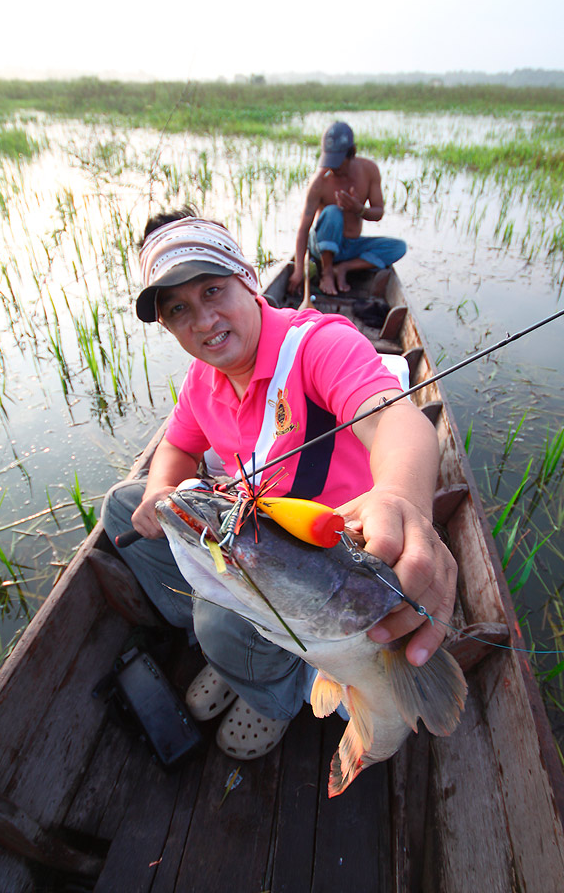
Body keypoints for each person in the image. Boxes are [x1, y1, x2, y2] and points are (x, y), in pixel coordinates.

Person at [102, 213, 457, 760]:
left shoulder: (317, 345)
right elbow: (176, 445)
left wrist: (402, 499)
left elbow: (394, 419)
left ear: (247, 277)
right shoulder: (204, 379)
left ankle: (274, 692)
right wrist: (160, 491)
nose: (203, 319)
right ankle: (239, 648)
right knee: (123, 506)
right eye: (178, 309)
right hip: (256, 536)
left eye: (213, 290)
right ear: (168, 325)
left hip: (322, 566)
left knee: (219, 619)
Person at [288, 120, 406, 297]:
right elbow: (303, 230)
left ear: (352, 154)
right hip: (321, 246)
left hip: (351, 247)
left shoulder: (369, 170)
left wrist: (359, 209)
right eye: (330, 161)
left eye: (338, 162)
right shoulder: (319, 182)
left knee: (398, 247)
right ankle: (327, 272)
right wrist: (298, 271)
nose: (333, 168)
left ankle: (343, 268)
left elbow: (378, 212)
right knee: (333, 212)